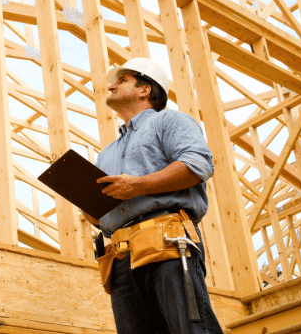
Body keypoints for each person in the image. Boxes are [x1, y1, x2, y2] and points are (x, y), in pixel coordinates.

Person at [82, 57, 224, 333]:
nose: (111, 86)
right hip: (120, 259)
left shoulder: (170, 121)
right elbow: (100, 219)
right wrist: (85, 201)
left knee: (190, 329)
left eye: (121, 80)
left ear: (145, 89)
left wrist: (138, 185)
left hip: (166, 240)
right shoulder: (106, 153)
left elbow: (198, 165)